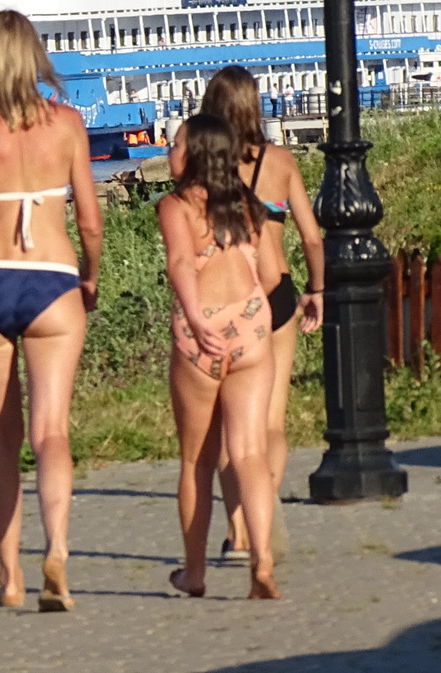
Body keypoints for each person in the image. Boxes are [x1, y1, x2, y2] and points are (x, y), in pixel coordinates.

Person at [0, 10, 102, 612]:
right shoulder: (67, 124)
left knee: (0, 432)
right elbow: (90, 219)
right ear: (35, 55)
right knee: (51, 432)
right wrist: (90, 275)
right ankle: (56, 551)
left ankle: (9, 577)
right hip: (54, 282)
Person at [172, 67, 325, 565]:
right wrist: (317, 288)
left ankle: (238, 532)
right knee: (269, 425)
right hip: (276, 297)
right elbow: (312, 237)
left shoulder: (207, 170)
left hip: (225, 301)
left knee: (223, 430)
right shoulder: (279, 162)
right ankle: (262, 508)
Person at [158, 112, 282, 600]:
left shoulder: (176, 206)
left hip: (203, 330)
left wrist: (195, 314)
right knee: (249, 451)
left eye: (175, 144)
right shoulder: (250, 206)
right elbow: (269, 274)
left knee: (197, 460)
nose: (168, 151)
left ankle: (194, 573)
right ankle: (262, 561)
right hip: (251, 326)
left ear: (193, 155)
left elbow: (180, 262)